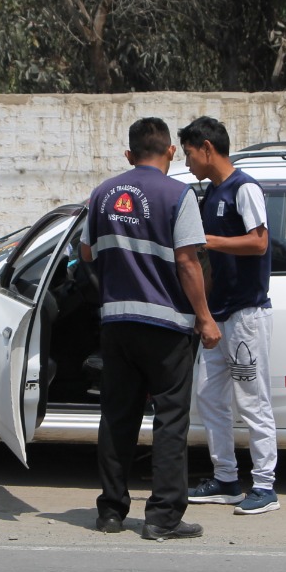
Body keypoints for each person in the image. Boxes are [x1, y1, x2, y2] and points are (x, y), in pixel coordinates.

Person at [80, 117, 220, 541]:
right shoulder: (179, 194)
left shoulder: (102, 194)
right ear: (171, 152)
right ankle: (162, 517)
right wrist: (205, 316)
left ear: (129, 154)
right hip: (166, 326)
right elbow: (188, 262)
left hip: (117, 324)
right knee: (170, 420)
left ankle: (110, 512)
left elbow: (86, 251)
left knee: (117, 418)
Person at [180, 116, 280, 515]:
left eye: (189, 153)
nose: (188, 163)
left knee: (252, 400)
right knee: (208, 397)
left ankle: (265, 486)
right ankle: (225, 479)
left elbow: (259, 242)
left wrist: (210, 240)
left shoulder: (245, 188)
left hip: (244, 318)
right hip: (217, 317)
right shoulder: (211, 194)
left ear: (207, 148)